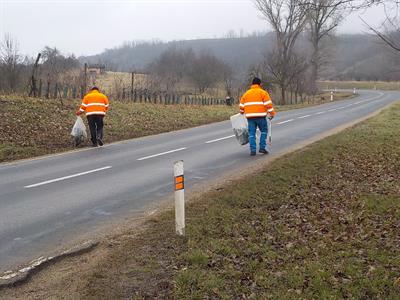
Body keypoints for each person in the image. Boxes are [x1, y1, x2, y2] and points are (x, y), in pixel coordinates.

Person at [239, 77, 276, 156]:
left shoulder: (246, 93)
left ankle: (253, 150)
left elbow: (241, 105)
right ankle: (262, 148)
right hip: (261, 116)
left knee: (251, 133)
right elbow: (268, 105)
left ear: (252, 84)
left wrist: (242, 112)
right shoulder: (263, 93)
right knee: (263, 131)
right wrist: (272, 114)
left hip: (250, 117)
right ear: (260, 84)